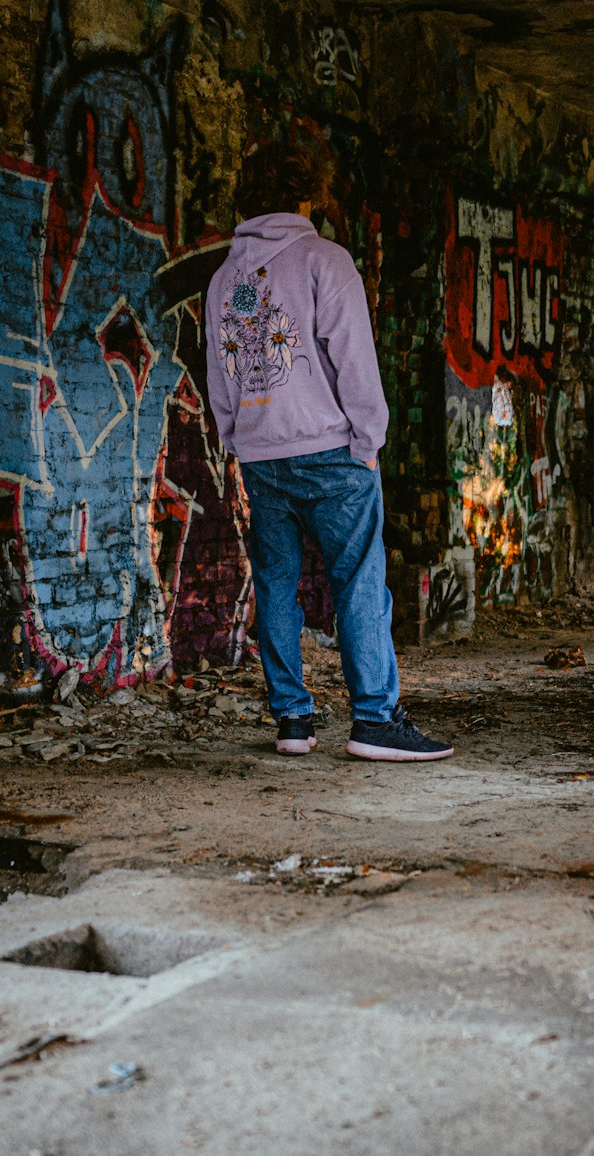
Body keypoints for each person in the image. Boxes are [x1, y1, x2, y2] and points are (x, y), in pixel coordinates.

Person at [204, 142, 453, 762]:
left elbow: (220, 374)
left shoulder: (222, 280)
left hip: (261, 456)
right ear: (304, 195)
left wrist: (239, 439)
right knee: (359, 581)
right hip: (331, 452)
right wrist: (370, 441)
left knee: (277, 587)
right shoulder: (325, 260)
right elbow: (355, 364)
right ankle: (373, 720)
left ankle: (292, 721)